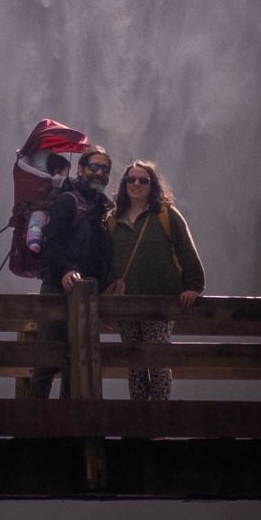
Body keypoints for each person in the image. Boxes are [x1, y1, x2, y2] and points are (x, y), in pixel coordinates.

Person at [107, 159, 204, 402]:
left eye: (143, 180)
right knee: (135, 363)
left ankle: (159, 419)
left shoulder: (166, 215)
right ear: (124, 184)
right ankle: (139, 423)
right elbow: (105, 259)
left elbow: (186, 250)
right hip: (125, 304)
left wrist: (194, 286)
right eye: (131, 179)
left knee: (159, 361)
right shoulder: (112, 220)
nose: (136, 184)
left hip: (160, 303)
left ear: (152, 185)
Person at [28, 144, 113, 400]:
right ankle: (31, 431)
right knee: (46, 359)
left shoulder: (105, 209)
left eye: (104, 169)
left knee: (78, 361)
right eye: (93, 167)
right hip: (57, 287)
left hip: (89, 294)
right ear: (81, 169)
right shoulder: (67, 200)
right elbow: (51, 242)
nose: (99, 173)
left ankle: (69, 431)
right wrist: (66, 270)